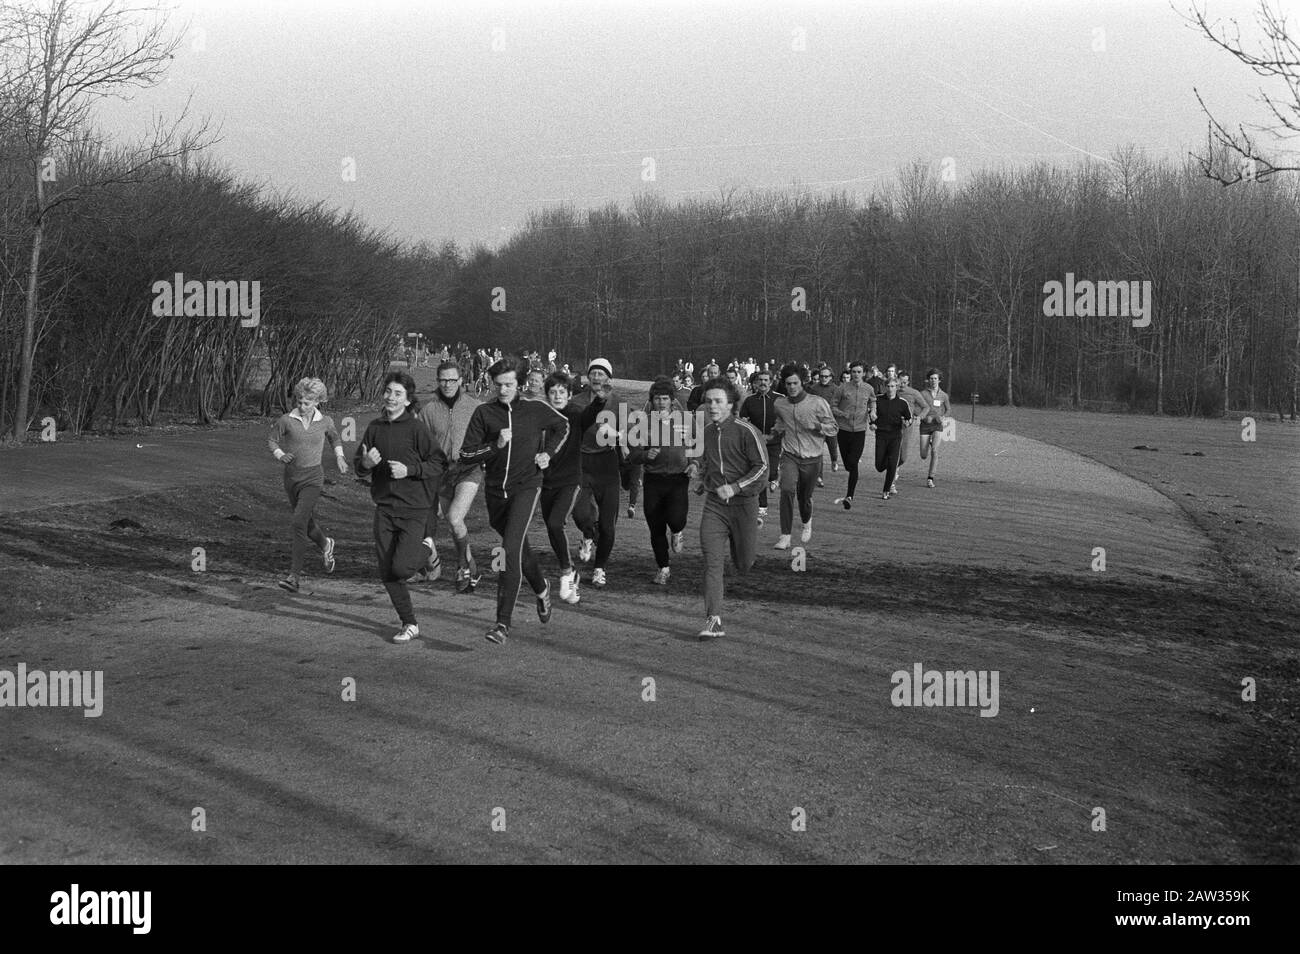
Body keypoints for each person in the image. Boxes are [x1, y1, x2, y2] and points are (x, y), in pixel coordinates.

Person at [458, 358, 571, 644]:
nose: (504, 390)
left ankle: (501, 624)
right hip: (496, 493)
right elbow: (466, 455)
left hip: (527, 486)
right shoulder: (484, 414)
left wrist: (548, 454)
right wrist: (493, 445)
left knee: (508, 550)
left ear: (519, 384)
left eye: (509, 384)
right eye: (498, 385)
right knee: (519, 549)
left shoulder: (535, 409)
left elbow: (563, 426)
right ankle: (542, 588)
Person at [354, 371, 446, 643]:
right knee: (387, 572)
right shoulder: (374, 427)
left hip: (414, 508)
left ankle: (428, 546)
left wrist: (410, 469)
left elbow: (439, 463)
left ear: (407, 400)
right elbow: (359, 466)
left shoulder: (416, 429)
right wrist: (366, 464)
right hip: (384, 508)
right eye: (388, 392)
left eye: (397, 394)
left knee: (402, 569)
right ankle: (410, 624)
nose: (390, 397)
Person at [688, 377, 768, 640]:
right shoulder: (707, 433)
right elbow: (708, 464)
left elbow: (763, 469)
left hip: (744, 505)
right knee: (712, 563)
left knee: (743, 564)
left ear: (731, 404)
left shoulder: (747, 431)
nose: (712, 406)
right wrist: (699, 476)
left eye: (718, 401)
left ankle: (745, 537)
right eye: (708, 401)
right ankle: (713, 620)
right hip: (715, 507)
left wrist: (735, 487)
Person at [269, 377, 349, 593]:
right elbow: (272, 440)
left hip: (313, 478)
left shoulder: (325, 421)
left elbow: (335, 438)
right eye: (299, 401)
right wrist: (280, 454)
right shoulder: (286, 420)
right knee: (306, 521)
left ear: (317, 402)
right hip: (291, 478)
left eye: (307, 402)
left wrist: (340, 457)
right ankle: (325, 544)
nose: (302, 406)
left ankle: (294, 577)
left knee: (298, 522)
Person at [416, 360, 483, 591]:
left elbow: (489, 438)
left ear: (461, 381)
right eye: (443, 380)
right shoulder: (428, 410)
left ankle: (462, 566)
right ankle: (466, 567)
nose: (447, 384)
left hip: (468, 470)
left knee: (455, 518)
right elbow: (420, 443)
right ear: (438, 381)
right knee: (440, 522)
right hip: (441, 473)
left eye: (452, 380)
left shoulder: (476, 407)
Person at [771, 363, 837, 549]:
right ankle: (785, 536)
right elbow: (781, 422)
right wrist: (775, 432)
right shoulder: (780, 404)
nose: (791, 387)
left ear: (802, 383)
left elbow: (833, 428)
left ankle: (807, 522)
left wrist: (816, 426)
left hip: (813, 459)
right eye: (788, 383)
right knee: (786, 490)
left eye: (795, 383)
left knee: (804, 498)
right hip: (790, 455)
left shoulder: (817, 403)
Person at [572, 358, 624, 588]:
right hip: (582, 461)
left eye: (601, 374)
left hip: (607, 463)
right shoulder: (576, 402)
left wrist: (618, 433)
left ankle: (599, 568)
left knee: (608, 524)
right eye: (593, 373)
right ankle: (588, 534)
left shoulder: (618, 403)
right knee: (580, 513)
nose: (596, 378)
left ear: (609, 379)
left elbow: (634, 432)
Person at [540, 371, 585, 604]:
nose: (557, 396)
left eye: (561, 392)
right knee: (551, 527)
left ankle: (566, 572)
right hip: (545, 481)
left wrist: (598, 400)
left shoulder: (576, 415)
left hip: (570, 480)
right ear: (547, 395)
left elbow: (593, 415)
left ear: (569, 394)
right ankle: (572, 570)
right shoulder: (541, 415)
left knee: (556, 522)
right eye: (553, 392)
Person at [829, 361, 876, 510]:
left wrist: (873, 411)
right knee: (849, 465)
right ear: (850, 373)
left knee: (853, 462)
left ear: (863, 373)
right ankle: (850, 490)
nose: (856, 374)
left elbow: (873, 401)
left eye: (859, 372)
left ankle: (849, 496)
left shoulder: (868, 388)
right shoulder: (842, 388)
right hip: (843, 430)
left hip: (860, 431)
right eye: (854, 372)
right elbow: (833, 406)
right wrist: (842, 414)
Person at [739, 368, 781, 525]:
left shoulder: (779, 399)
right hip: (756, 442)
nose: (763, 383)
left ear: (770, 381)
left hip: (775, 441)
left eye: (766, 380)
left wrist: (774, 434)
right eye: (760, 380)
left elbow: (784, 419)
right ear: (756, 383)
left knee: (771, 473)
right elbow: (743, 420)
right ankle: (762, 504)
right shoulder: (750, 400)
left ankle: (776, 477)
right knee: (761, 470)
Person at [871, 378, 913, 499]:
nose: (890, 389)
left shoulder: (902, 402)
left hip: (895, 436)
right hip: (881, 435)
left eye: (893, 386)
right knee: (879, 466)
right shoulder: (878, 400)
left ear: (897, 387)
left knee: (893, 462)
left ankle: (886, 491)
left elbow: (909, 418)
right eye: (888, 386)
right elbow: (871, 415)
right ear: (885, 387)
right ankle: (889, 464)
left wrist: (907, 423)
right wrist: (872, 424)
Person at [917, 368, 951, 488]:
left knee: (935, 451)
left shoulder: (944, 395)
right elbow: (916, 408)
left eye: (935, 378)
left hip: (937, 425)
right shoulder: (922, 394)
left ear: (939, 380)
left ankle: (930, 478)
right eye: (931, 378)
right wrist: (923, 417)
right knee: (923, 455)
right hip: (925, 426)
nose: (933, 380)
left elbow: (948, 410)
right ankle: (929, 442)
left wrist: (943, 417)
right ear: (928, 380)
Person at [806, 364, 840, 482]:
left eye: (826, 376)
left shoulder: (836, 389)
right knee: (818, 450)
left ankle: (834, 460)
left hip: (830, 423)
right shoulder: (814, 389)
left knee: (832, 446)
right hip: (817, 423)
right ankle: (819, 476)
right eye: (821, 376)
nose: (823, 378)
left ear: (831, 377)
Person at [895, 371, 925, 493]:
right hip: (893, 426)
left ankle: (895, 468)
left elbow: (925, 406)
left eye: (905, 382)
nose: (902, 384)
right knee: (894, 453)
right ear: (897, 380)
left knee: (903, 457)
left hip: (907, 427)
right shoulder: (892, 391)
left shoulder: (913, 393)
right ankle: (891, 480)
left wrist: (919, 417)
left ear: (908, 382)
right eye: (900, 381)